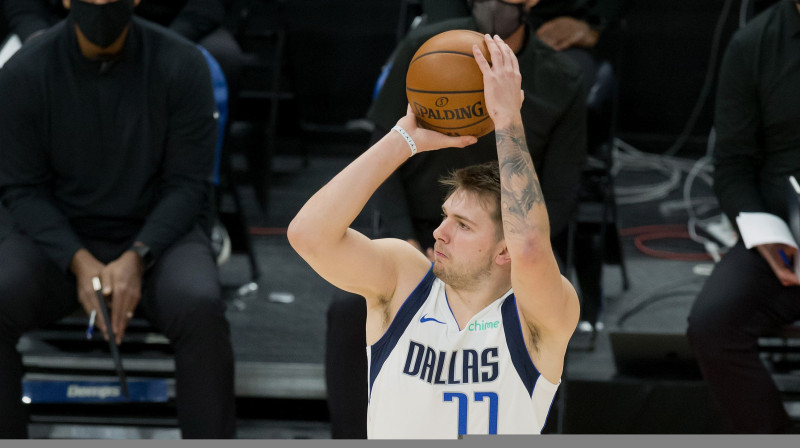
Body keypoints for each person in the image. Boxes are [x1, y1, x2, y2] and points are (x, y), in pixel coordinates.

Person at [291, 33, 580, 438]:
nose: (439, 232)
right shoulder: (404, 279)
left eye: (463, 225)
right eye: (446, 217)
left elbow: (531, 247)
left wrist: (507, 120)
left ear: (504, 250)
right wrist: (402, 140)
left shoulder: (535, 316)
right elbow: (308, 235)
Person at [0, 0, 235, 439]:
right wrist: (77, 258)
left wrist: (137, 255)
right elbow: (21, 190)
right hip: (58, 239)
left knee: (200, 306)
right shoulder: (24, 72)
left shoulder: (182, 63)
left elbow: (188, 185)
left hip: (158, 239)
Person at [686, 0, 800, 434]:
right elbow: (733, 166)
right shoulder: (754, 45)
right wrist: (768, 241)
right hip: (787, 235)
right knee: (712, 324)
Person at [3, 0, 243, 96]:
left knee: (221, 60)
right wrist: (36, 35)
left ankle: (197, 182)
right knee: (15, 64)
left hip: (172, 24)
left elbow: (208, 4)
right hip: (67, 23)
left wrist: (170, 42)